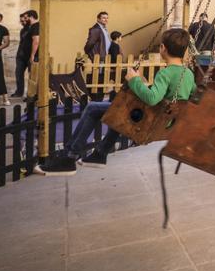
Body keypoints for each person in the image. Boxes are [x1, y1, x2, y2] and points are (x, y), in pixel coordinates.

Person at [58, 28, 196, 171]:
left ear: (163, 48)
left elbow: (152, 98)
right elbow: (188, 95)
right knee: (122, 109)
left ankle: (69, 156)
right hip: (168, 124)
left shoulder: (165, 73)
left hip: (151, 122)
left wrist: (134, 80)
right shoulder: (189, 74)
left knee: (93, 108)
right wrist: (142, 85)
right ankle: (100, 154)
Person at [84, 11, 111, 101]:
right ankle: (97, 97)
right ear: (98, 19)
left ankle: (99, 96)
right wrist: (89, 52)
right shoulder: (96, 29)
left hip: (103, 57)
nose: (106, 19)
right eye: (103, 18)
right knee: (98, 77)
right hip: (99, 57)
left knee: (101, 76)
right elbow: (90, 43)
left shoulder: (103, 29)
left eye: (107, 18)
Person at [15, 10, 39, 99]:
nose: (24, 20)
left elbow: (36, 41)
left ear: (31, 17)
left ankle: (31, 95)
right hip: (22, 55)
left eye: (26, 17)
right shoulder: (28, 28)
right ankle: (20, 92)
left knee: (32, 75)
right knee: (19, 73)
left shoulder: (36, 26)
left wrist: (32, 55)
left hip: (32, 56)